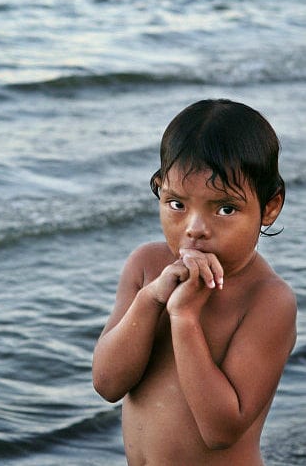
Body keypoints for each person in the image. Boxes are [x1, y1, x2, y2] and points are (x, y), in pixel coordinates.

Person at [92, 99, 296, 465]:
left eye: (226, 209)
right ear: (159, 188)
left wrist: (184, 318)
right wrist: (151, 300)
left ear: (269, 207)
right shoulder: (146, 266)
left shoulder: (267, 300)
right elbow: (107, 383)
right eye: (177, 204)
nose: (195, 229)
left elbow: (219, 431)